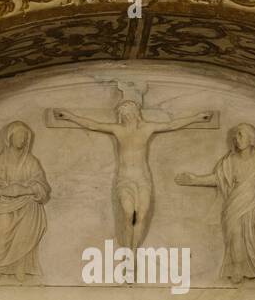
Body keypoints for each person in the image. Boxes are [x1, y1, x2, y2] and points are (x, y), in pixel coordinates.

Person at [52, 100, 215, 248]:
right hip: (125, 179)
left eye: (128, 114)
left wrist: (197, 118)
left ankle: (133, 251)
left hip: (143, 179)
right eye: (123, 115)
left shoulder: (147, 128)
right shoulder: (118, 130)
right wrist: (70, 117)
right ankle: (128, 250)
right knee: (128, 212)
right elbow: (93, 125)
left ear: (136, 114)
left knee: (142, 214)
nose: (126, 118)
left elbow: (172, 125)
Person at [175, 123, 255, 282]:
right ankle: (237, 269)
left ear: (252, 140)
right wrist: (195, 179)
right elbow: (218, 178)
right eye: (235, 135)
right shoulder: (230, 161)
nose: (236, 138)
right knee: (235, 236)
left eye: (240, 134)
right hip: (235, 203)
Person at [0, 121, 50, 280]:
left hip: (26, 205)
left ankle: (20, 266)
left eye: (25, 136)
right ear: (9, 137)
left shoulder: (31, 162)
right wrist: (5, 191)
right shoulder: (0, 161)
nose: (22, 139)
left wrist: (25, 190)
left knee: (24, 235)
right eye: (19, 135)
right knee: (2, 233)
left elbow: (42, 187)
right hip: (3, 204)